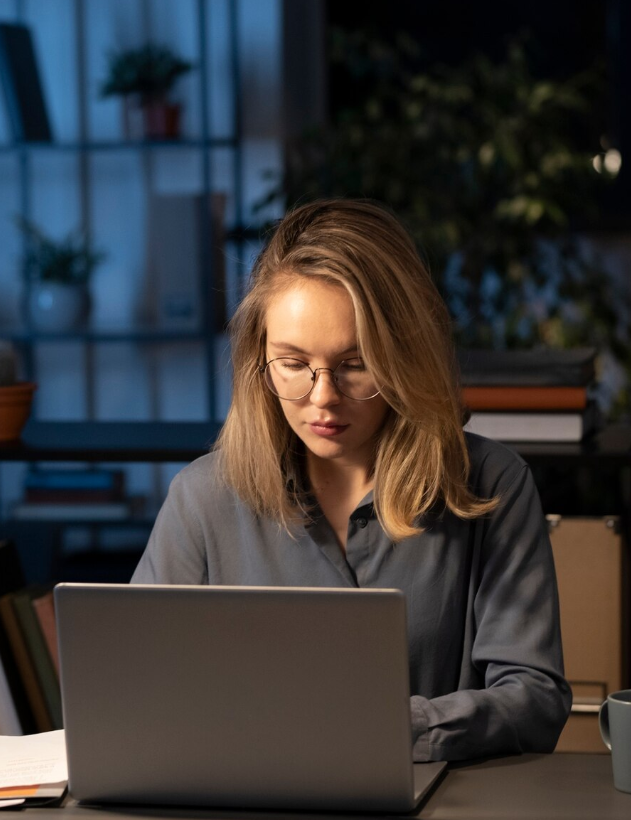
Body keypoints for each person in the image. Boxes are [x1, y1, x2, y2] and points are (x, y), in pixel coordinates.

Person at [131, 198, 572, 762]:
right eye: (292, 363)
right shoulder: (202, 499)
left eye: (355, 364)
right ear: (257, 360)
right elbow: (140, 695)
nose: (322, 398)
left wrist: (383, 728)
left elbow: (534, 700)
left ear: (404, 357)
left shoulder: (490, 483)